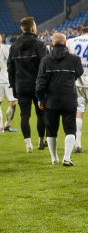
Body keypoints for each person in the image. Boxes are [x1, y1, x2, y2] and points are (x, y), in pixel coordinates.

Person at [35, 33, 83, 166]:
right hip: (69, 99)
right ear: (65, 43)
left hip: (51, 100)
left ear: (52, 43)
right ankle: (67, 157)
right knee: (70, 129)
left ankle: (54, 158)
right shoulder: (74, 59)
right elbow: (79, 73)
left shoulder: (45, 60)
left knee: (51, 130)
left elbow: (40, 81)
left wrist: (40, 98)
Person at [8, 17, 48, 152]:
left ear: (22, 28)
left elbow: (10, 68)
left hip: (21, 86)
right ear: (32, 28)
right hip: (38, 86)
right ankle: (41, 141)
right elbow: (45, 65)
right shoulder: (39, 44)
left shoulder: (14, 46)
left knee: (24, 115)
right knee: (41, 114)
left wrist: (13, 86)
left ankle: (28, 144)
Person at [0, 35, 18, 133]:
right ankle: (0, 126)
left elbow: (12, 63)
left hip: (8, 80)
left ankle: (7, 124)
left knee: (13, 103)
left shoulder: (6, 49)